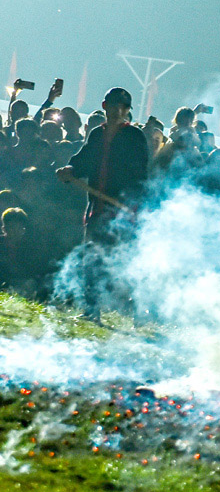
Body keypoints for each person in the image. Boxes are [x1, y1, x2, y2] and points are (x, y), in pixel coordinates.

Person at [56, 87, 150, 320]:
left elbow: (139, 173)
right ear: (104, 105)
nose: (118, 111)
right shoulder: (98, 134)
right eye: (114, 105)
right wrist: (72, 169)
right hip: (98, 206)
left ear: (128, 111)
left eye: (123, 107)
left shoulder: (134, 136)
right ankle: (92, 308)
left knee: (123, 263)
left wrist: (128, 202)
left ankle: (137, 310)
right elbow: (86, 158)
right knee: (92, 259)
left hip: (123, 210)